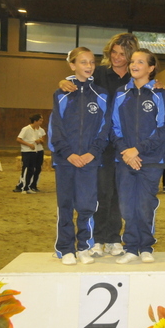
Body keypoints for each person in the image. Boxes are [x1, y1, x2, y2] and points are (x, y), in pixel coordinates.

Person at [59, 33, 141, 258]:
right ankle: (97, 238)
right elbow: (80, 79)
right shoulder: (100, 73)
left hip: (125, 143)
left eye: (122, 55)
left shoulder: (135, 77)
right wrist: (63, 81)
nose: (116, 57)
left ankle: (114, 237)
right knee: (101, 192)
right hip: (102, 142)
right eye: (113, 52)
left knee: (119, 194)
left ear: (131, 56)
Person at [111, 49, 165, 264]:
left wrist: (137, 150)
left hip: (151, 160)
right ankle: (130, 247)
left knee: (145, 205)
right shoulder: (121, 94)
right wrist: (127, 153)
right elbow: (114, 127)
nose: (134, 65)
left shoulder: (160, 94)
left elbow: (163, 129)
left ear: (151, 68)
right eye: (132, 61)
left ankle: (146, 246)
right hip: (125, 160)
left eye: (140, 61)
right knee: (127, 206)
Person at [49, 47, 110, 266]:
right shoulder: (61, 93)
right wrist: (68, 154)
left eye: (92, 62)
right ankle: (65, 248)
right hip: (65, 160)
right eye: (83, 62)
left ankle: (84, 245)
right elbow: (56, 127)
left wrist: (91, 153)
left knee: (86, 205)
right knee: (65, 204)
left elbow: (105, 128)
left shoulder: (102, 95)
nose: (88, 66)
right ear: (72, 65)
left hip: (89, 160)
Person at [14, 114, 45, 194]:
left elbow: (42, 139)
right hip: (27, 151)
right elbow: (18, 139)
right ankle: (23, 186)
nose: (41, 122)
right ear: (35, 121)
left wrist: (39, 141)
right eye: (40, 121)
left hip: (35, 151)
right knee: (27, 169)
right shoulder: (26, 129)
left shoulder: (38, 130)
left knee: (33, 169)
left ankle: (29, 186)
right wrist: (29, 144)